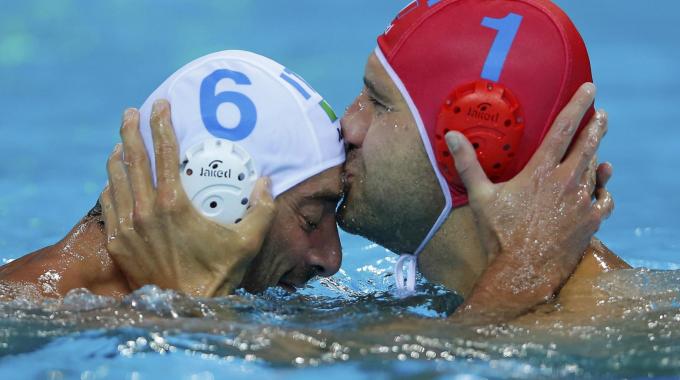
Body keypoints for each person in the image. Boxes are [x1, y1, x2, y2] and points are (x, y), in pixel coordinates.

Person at [98, 0, 625, 321]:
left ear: (475, 143)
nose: (347, 125)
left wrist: (180, 308)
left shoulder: (605, 321)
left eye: (378, 101)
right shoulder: (429, 311)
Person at [0, 51, 347, 299]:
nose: (331, 259)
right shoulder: (26, 306)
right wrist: (191, 309)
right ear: (212, 196)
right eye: (310, 220)